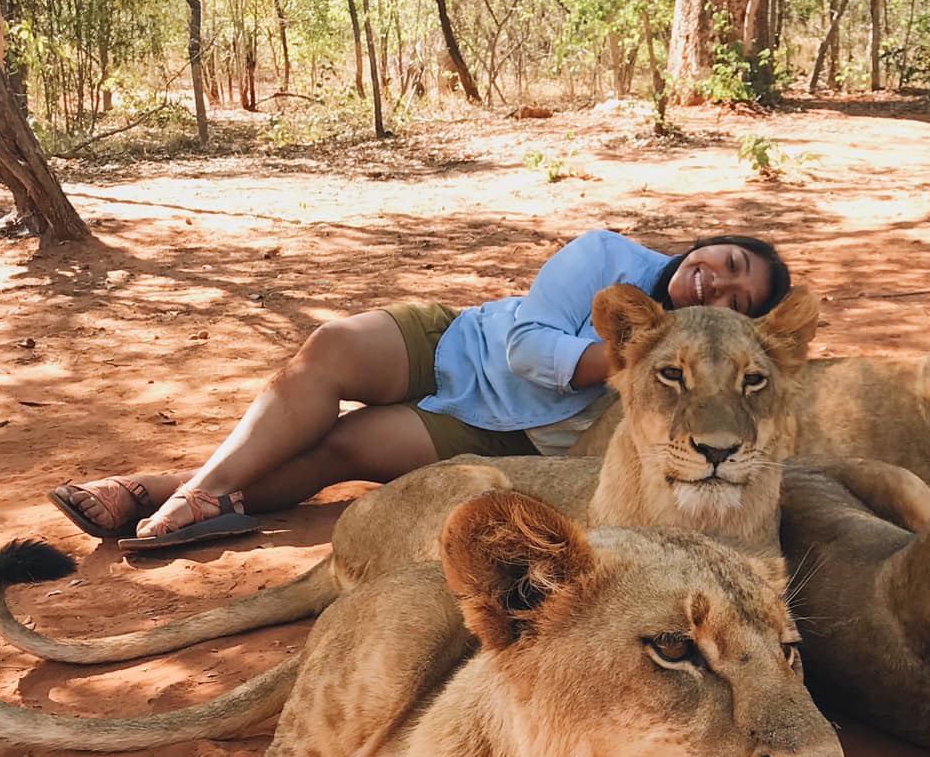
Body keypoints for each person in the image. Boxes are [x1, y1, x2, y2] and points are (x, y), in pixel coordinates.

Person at [51, 229, 793, 551]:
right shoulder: (604, 255)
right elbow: (527, 345)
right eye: (725, 260)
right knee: (330, 350)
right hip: (460, 343)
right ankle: (198, 491)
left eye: (735, 298)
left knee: (345, 446)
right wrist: (638, 354)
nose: (717, 283)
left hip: (512, 437)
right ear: (706, 243)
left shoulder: (709, 371)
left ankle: (160, 492)